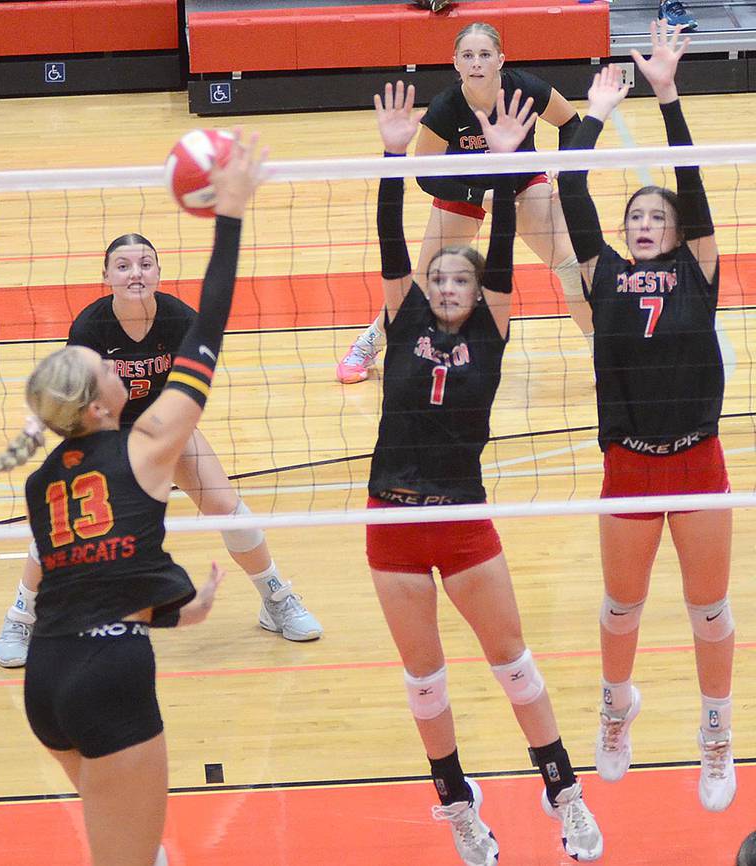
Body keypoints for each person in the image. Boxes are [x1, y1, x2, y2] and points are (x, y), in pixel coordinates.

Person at [0, 133, 264, 866]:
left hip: (47, 681)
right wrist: (231, 215)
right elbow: (212, 323)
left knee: (135, 851)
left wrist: (170, 608)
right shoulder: (149, 442)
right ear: (98, 403)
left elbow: (98, 568)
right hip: (108, 677)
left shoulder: (42, 479)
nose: (108, 359)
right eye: (100, 366)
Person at [365, 80, 603, 864]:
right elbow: (392, 235)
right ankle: (458, 805)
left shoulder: (495, 329)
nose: (446, 286)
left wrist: (506, 168)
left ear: (480, 292)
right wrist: (394, 156)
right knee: (424, 682)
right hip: (391, 521)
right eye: (440, 279)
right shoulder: (402, 326)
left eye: (460, 280)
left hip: (464, 520)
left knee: (515, 666)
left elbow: (503, 241)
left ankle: (562, 792)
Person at [0, 228, 322, 667]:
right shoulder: (89, 327)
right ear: (106, 276)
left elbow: (189, 393)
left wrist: (164, 438)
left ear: (159, 273)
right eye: (124, 266)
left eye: (145, 264)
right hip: (102, 435)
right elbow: (80, 401)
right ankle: (22, 615)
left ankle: (275, 596)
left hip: (164, 430)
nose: (136, 273)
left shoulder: (178, 318)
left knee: (226, 505)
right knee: (64, 518)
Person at [557, 21, 735, 811]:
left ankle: (716, 733)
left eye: (656, 217)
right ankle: (615, 708)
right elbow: (568, 185)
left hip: (697, 457)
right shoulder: (604, 277)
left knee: (709, 610)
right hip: (629, 460)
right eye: (635, 217)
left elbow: (691, 180)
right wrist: (593, 111)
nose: (644, 223)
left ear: (677, 231)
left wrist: (667, 93)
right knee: (620, 606)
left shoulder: (700, 270)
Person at [336, 21, 593, 384]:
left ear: (500, 60)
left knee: (570, 268)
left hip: (520, 183)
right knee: (424, 284)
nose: (477, 63)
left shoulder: (527, 88)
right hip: (464, 189)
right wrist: (477, 197)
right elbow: (425, 174)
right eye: (468, 55)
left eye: (485, 55)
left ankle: (604, 353)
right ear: (455, 62)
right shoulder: (445, 107)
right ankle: (367, 344)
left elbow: (571, 122)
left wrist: (564, 171)